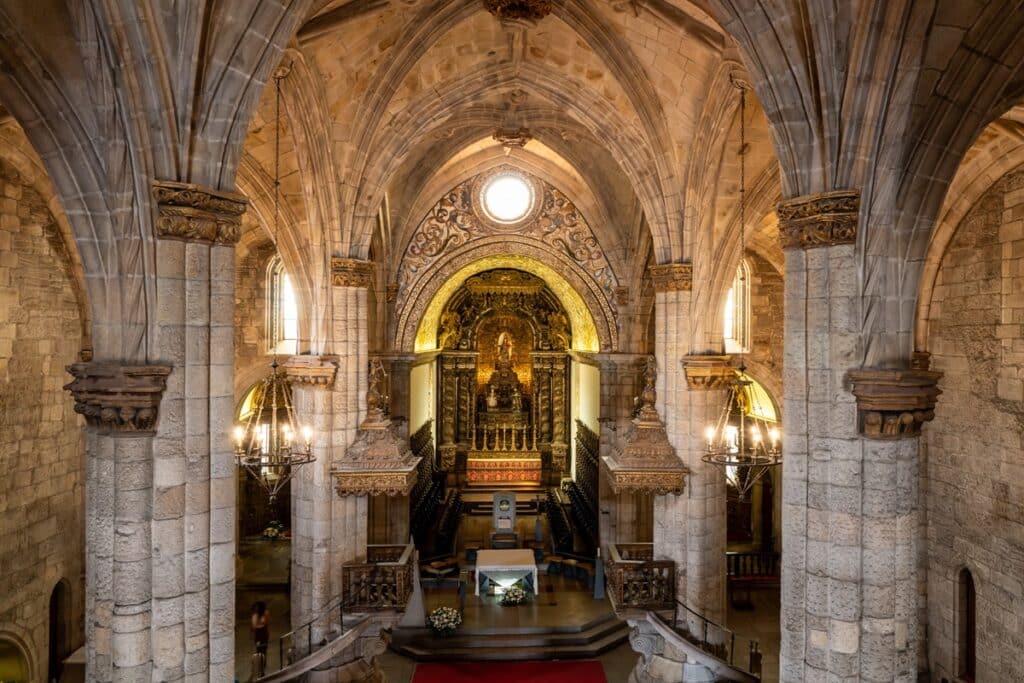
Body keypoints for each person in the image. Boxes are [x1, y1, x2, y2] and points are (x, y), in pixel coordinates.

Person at [251, 602, 270, 677]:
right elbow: (253, 627)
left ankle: (263, 665)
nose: (256, 609)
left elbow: (267, 623)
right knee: (259, 650)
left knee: (264, 650)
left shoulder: (265, 613)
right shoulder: (255, 615)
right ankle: (260, 666)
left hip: (263, 633)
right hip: (258, 634)